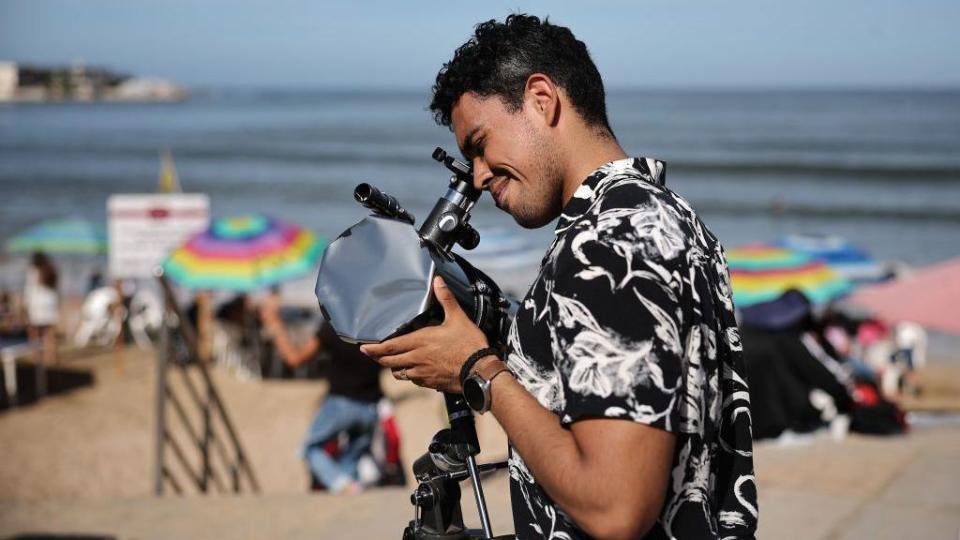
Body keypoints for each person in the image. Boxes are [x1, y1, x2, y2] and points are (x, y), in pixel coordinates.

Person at [361, 14, 757, 539]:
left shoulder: (610, 243)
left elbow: (615, 508)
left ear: (542, 99)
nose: (477, 176)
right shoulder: (667, 215)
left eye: (480, 144)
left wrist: (476, 368)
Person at [259, 293, 384, 495]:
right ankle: (349, 494)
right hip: (371, 407)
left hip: (341, 403)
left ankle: (344, 485)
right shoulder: (375, 329)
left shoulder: (333, 327)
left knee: (310, 449)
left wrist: (275, 326)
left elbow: (294, 359)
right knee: (351, 461)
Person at [24, 251, 60, 370]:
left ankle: (37, 358)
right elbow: (57, 289)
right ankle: (52, 358)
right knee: (49, 334)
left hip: (36, 305)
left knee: (34, 333)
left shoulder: (33, 271)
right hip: (50, 304)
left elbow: (29, 291)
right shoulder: (51, 270)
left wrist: (25, 306)